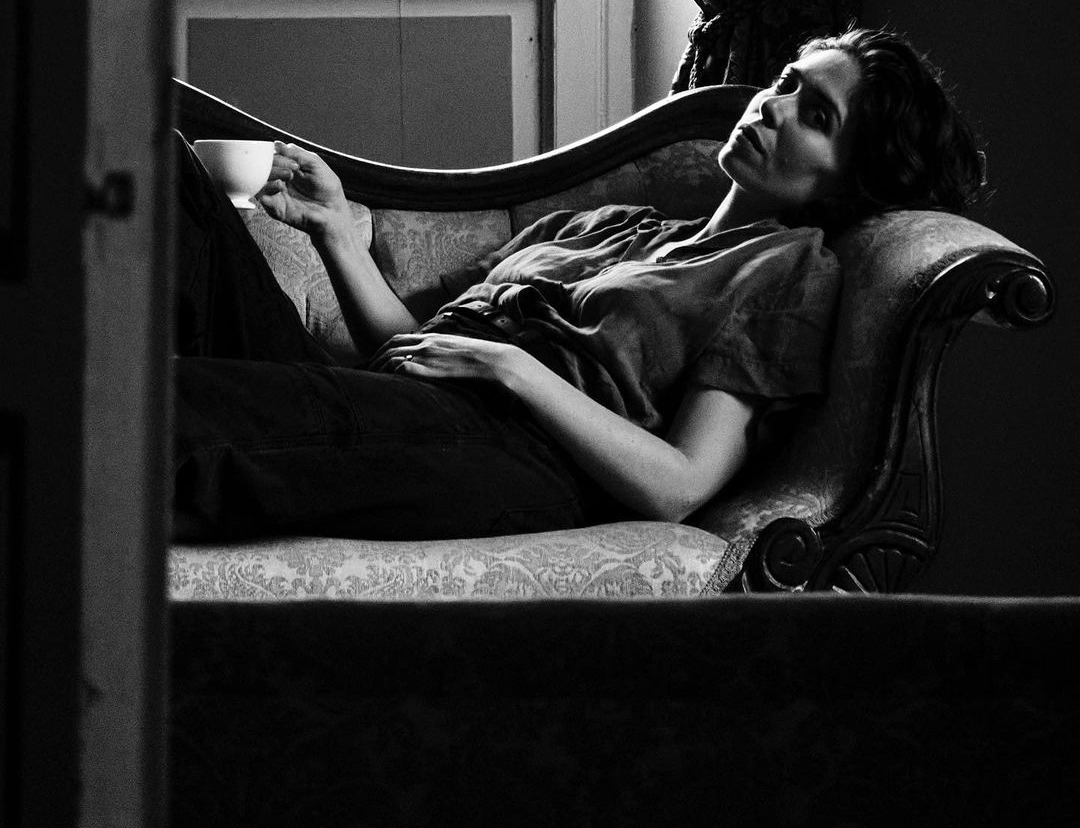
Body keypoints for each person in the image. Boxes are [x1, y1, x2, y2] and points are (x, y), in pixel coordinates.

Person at [172, 27, 983, 543]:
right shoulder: (609, 225)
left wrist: (511, 369)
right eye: (788, 83)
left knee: (172, 406)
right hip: (410, 400)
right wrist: (335, 232)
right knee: (173, 172)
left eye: (817, 117)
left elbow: (679, 484)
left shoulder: (785, 272)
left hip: (514, 454)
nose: (774, 106)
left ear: (851, 180)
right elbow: (412, 347)